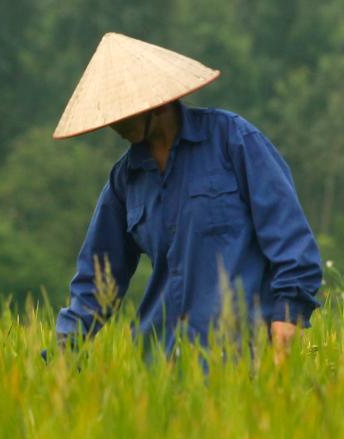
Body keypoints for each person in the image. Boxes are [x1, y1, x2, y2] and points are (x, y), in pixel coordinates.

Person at [53, 33, 322, 360]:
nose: (117, 125)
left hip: (243, 359)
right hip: (160, 366)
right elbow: (96, 281)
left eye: (126, 112)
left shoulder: (232, 141)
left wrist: (287, 316)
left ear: (160, 102)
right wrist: (61, 357)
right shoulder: (126, 180)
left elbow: (290, 239)